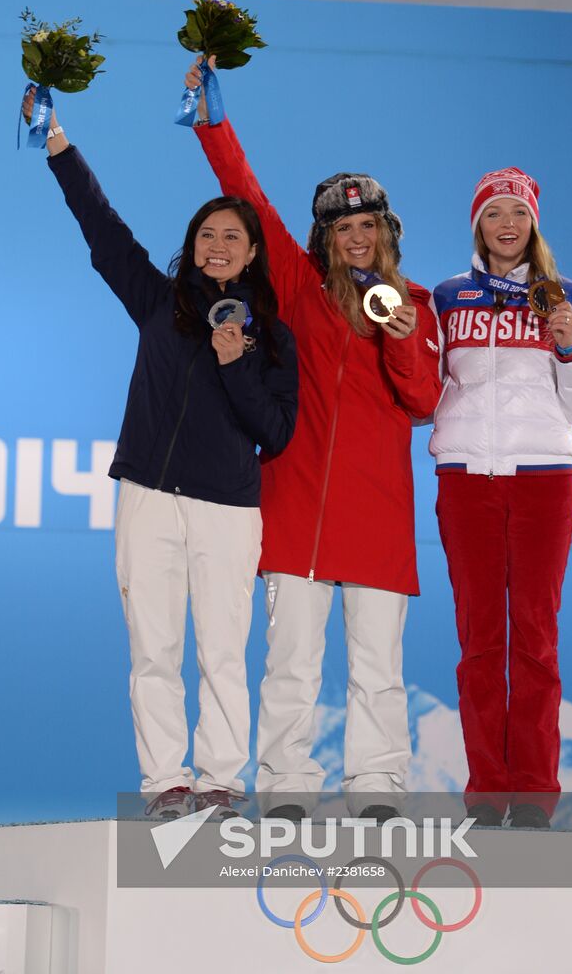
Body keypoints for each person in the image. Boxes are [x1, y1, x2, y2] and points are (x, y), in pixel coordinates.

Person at [23, 90, 298, 820]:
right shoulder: (158, 301)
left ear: (251, 252)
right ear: (194, 241)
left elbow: (277, 433)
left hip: (227, 510)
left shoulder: (272, 336)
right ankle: (165, 785)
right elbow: (104, 232)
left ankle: (219, 783)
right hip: (147, 493)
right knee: (153, 649)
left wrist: (236, 362)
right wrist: (58, 145)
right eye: (208, 233)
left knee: (221, 653)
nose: (218, 245)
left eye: (232, 237)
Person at [185, 59, 442, 820]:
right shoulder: (294, 286)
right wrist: (211, 120)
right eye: (342, 228)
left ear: (387, 233)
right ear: (322, 239)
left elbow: (423, 401)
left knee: (377, 668)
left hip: (376, 515)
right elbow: (249, 197)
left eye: (368, 226)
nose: (356, 238)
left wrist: (398, 337)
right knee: (291, 667)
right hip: (294, 504)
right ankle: (289, 790)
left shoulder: (415, 305)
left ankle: (377, 791)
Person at [431, 167, 572, 828]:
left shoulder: (568, 296)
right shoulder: (446, 297)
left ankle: (532, 795)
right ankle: (485, 792)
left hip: (542, 482)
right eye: (494, 213)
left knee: (534, 638)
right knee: (479, 640)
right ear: (477, 224)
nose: (507, 225)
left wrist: (566, 344)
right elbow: (427, 393)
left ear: (533, 224)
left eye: (518, 214)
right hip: (466, 480)